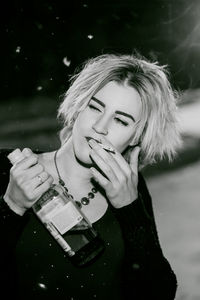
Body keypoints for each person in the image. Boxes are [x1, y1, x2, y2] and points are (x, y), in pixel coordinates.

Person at [0, 52, 181, 300]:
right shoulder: (7, 169)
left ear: (137, 137)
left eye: (120, 120)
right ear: (78, 106)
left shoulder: (131, 191)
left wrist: (131, 211)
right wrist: (11, 207)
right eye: (95, 107)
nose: (100, 126)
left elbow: (158, 293)